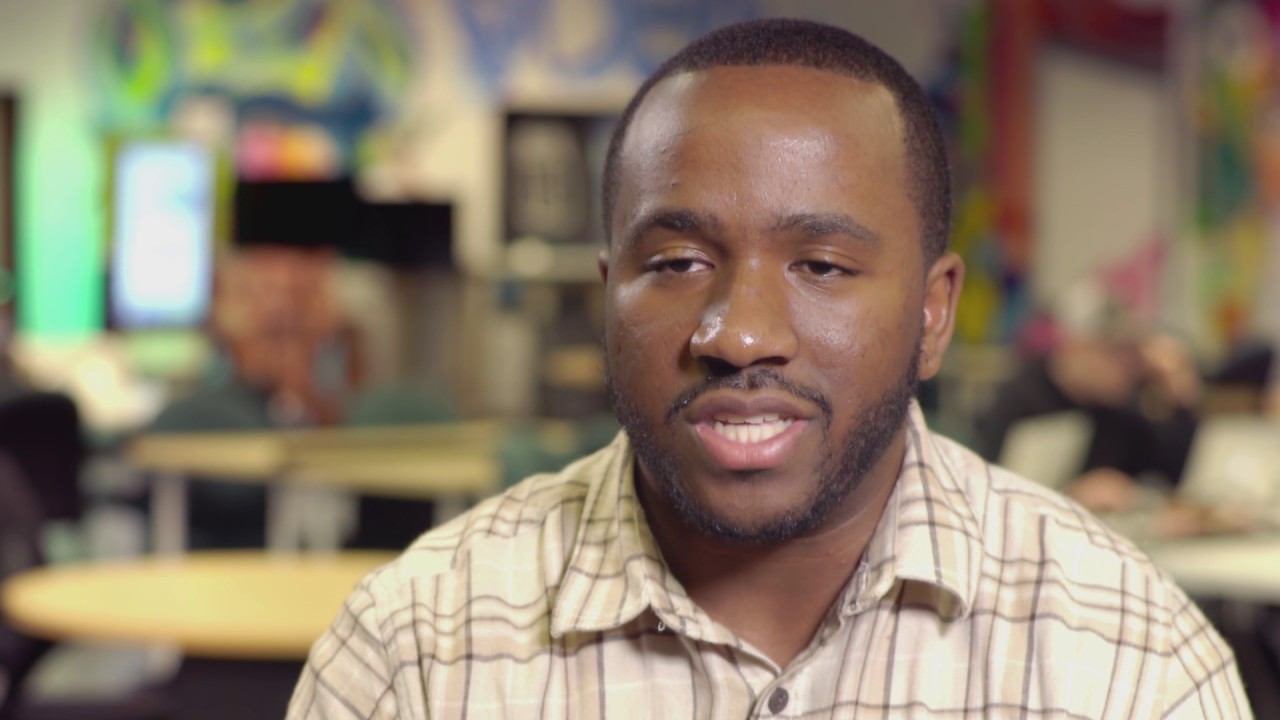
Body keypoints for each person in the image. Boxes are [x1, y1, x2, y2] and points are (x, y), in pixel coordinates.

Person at [288, 19, 1250, 719]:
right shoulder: (419, 646)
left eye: (821, 267)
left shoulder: (1124, 655)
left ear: (933, 313)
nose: (739, 336)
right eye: (677, 263)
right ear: (608, 298)